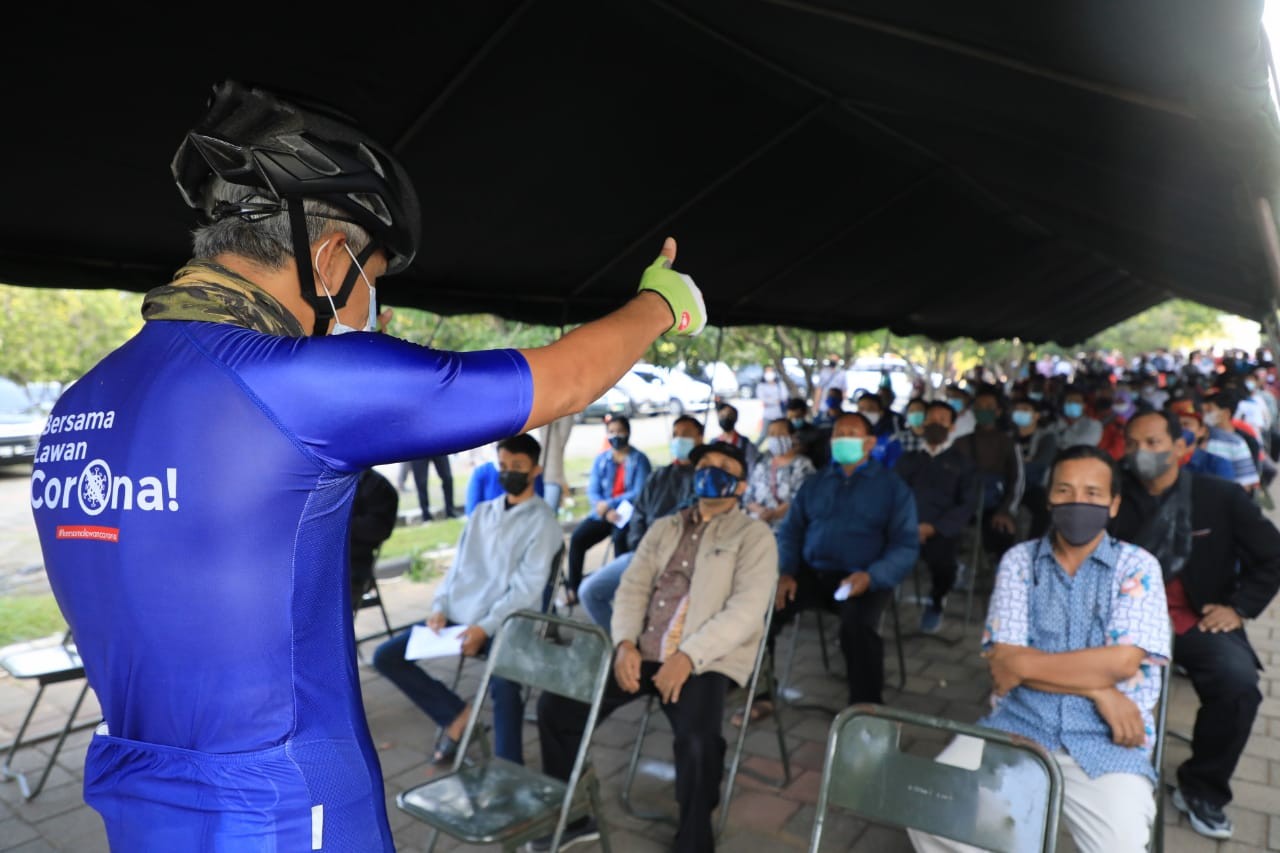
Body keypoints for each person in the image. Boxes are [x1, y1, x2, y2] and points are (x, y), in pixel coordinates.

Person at [31, 81, 707, 849]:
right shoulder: (293, 385)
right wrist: (662, 302)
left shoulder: (76, 407)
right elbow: (561, 380)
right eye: (373, 280)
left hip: (139, 804)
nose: (370, 305)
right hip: (290, 810)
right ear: (328, 258)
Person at [909, 445, 1170, 853]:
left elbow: (1122, 661)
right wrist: (1098, 689)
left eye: (1093, 493)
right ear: (1049, 498)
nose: (1077, 502)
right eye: (1064, 491)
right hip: (1017, 724)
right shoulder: (1019, 562)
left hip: (1107, 740)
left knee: (1121, 845)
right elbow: (1004, 667)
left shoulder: (1136, 567)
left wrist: (1031, 666)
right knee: (932, 816)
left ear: (1114, 505)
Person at [532, 443, 777, 852]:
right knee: (556, 707)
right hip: (642, 651)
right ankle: (574, 816)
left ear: (741, 485)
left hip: (706, 659)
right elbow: (632, 587)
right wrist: (625, 643)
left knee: (698, 741)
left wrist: (688, 657)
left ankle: (695, 836)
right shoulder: (664, 527)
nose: (709, 473)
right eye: (704, 466)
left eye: (722, 467)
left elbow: (747, 611)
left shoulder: (754, 536)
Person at [1110, 411, 1280, 840]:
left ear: (1182, 447)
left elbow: (1273, 555)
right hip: (1121, 624)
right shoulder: (1112, 496)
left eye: (1153, 443)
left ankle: (1202, 786)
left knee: (1238, 686)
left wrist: (1239, 607)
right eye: (1132, 444)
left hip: (1194, 621)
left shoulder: (1219, 497)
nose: (1141, 453)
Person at [373, 434, 561, 766]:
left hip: (507, 625)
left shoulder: (543, 522)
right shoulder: (482, 513)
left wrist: (484, 628)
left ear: (536, 470)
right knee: (386, 656)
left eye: (518, 466)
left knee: (504, 682)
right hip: (458, 618)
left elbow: (526, 590)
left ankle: (508, 768)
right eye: (503, 466)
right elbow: (457, 569)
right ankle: (458, 717)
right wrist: (439, 608)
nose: (508, 473)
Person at [761, 412, 919, 713]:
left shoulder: (892, 488)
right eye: (837, 433)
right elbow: (792, 532)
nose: (842, 439)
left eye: (851, 433)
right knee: (763, 611)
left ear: (870, 443)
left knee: (857, 629)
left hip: (865, 577)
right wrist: (787, 571)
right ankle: (762, 692)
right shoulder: (816, 483)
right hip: (812, 573)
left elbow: (905, 545)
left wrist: (872, 577)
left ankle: (865, 710)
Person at [579, 415, 704, 629]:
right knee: (590, 591)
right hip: (643, 555)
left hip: (679, 563)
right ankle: (621, 646)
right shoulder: (659, 477)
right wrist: (639, 546)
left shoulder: (703, 481)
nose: (679, 440)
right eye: (675, 435)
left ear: (699, 439)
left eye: (685, 435)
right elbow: (639, 514)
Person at [894, 401, 977, 633]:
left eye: (942, 420)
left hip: (940, 530)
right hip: (904, 527)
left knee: (943, 565)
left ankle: (937, 602)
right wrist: (906, 525)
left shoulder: (963, 464)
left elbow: (966, 504)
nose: (935, 424)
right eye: (931, 419)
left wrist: (934, 528)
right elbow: (894, 496)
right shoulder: (907, 460)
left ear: (952, 427)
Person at [565, 415, 651, 604]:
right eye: (611, 432)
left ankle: (622, 592)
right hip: (603, 514)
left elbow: (638, 492)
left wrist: (610, 504)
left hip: (627, 514)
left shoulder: (639, 460)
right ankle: (574, 589)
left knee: (621, 540)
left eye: (620, 431)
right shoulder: (601, 460)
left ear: (628, 432)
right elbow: (593, 491)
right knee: (578, 538)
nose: (616, 435)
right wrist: (604, 510)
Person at [953, 387, 1023, 560]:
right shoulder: (960, 442)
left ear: (998, 411)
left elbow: (1016, 480)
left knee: (1002, 533)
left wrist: (1005, 510)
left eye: (989, 406)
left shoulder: (1008, 443)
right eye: (979, 406)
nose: (984, 410)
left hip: (994, 506)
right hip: (962, 505)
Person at [744, 418, 817, 529]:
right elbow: (748, 496)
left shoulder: (803, 465)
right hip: (757, 525)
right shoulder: (762, 464)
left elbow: (800, 500)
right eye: (772, 434)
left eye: (781, 433)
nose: (776, 437)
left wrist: (773, 514)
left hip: (786, 528)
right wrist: (760, 511)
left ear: (792, 437)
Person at [348, 468, 399, 605]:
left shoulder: (379, 486)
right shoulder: (334, 479)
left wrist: (340, 524)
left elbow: (379, 529)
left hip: (354, 565)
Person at [1011, 397, 1058, 539]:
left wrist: (1019, 465)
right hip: (1009, 484)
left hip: (1034, 486)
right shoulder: (1007, 436)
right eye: (1018, 409)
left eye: (1025, 410)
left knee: (1043, 508)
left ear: (1036, 415)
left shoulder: (1047, 438)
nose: (1020, 413)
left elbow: (1040, 465)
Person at [1203, 389, 1261, 491]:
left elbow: (1247, 484)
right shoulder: (1202, 437)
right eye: (1203, 411)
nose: (1205, 415)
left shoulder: (1246, 442)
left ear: (1226, 413)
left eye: (1209, 411)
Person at [1170, 399, 1235, 480]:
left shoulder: (1217, 465)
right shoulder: (1160, 463)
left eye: (1186, 424)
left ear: (1201, 431)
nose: (1180, 429)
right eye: (1175, 425)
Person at [465, 451, 544, 515]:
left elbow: (538, 504)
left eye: (517, 466)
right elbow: (472, 512)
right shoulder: (481, 472)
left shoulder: (531, 473)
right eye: (504, 466)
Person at [712, 403, 760, 473]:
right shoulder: (713, 443)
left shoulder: (746, 445)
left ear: (735, 418)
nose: (725, 418)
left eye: (729, 415)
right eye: (722, 416)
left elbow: (751, 469)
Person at [406, 454, 457, 520]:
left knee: (448, 478)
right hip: (418, 448)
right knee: (421, 484)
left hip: (437, 446)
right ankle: (426, 516)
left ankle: (450, 512)